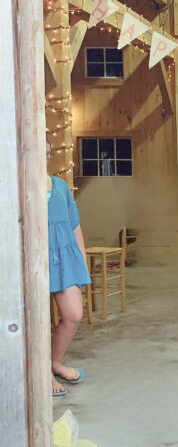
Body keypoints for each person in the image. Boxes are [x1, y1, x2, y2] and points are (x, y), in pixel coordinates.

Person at [47, 142, 91, 395]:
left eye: (47, 153)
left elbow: (74, 225)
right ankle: (42, 373)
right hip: (35, 260)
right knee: (36, 322)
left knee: (73, 314)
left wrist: (81, 259)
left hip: (64, 257)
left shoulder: (61, 186)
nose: (42, 157)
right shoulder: (19, 185)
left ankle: (54, 362)